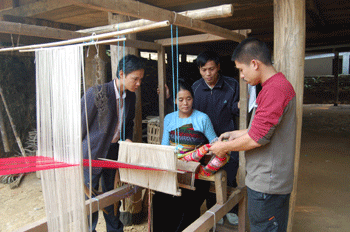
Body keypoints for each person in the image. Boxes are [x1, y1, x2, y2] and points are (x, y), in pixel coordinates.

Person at [210, 37, 296, 232]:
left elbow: (257, 138)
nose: (241, 75)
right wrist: (235, 133)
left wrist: (223, 148)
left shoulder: (275, 89)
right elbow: (262, 128)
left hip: (268, 184)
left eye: (241, 69)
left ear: (255, 64)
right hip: (269, 181)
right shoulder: (273, 87)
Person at [153, 80, 228, 232]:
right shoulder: (169, 119)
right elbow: (164, 148)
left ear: (193, 99)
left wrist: (219, 149)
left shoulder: (202, 118)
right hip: (173, 173)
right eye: (180, 100)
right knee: (159, 200)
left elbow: (215, 143)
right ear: (175, 100)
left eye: (188, 99)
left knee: (185, 204)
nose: (185, 103)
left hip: (196, 175)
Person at [81, 54, 145, 232]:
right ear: (122, 74)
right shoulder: (97, 94)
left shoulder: (130, 97)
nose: (138, 83)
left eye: (141, 79)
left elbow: (129, 122)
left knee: (112, 194)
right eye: (135, 78)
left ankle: (115, 230)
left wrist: (127, 138)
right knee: (90, 196)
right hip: (91, 154)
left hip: (112, 151)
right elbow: (79, 126)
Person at [192, 51, 240, 225]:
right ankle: (215, 209)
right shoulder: (196, 88)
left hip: (229, 139)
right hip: (206, 143)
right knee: (209, 176)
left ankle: (232, 209)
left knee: (231, 174)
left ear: (218, 67)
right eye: (204, 69)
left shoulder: (232, 85)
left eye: (211, 69)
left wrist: (240, 105)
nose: (208, 74)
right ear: (199, 70)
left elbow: (237, 110)